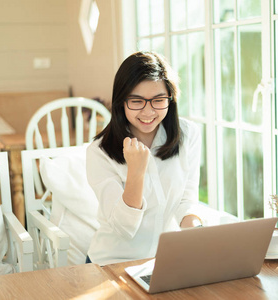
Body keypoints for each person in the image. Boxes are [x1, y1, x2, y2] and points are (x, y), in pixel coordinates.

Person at [85, 51, 203, 265]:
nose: (148, 112)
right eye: (137, 101)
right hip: (110, 264)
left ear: (171, 99)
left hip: (162, 262)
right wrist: (136, 172)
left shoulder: (188, 135)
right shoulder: (99, 152)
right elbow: (124, 228)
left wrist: (200, 234)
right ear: (121, 101)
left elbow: (185, 201)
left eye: (158, 100)